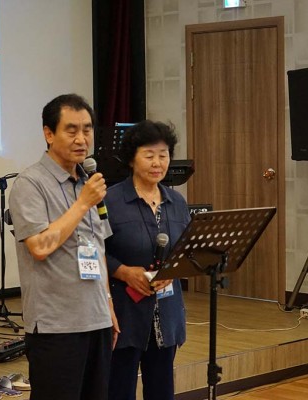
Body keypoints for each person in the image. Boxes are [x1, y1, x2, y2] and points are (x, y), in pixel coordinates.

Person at [8, 93, 119, 400]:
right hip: (56, 326)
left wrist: (108, 305)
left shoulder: (88, 181)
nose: (81, 138)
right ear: (49, 133)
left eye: (87, 129)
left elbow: (98, 248)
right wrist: (82, 204)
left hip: (96, 318)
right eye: (71, 130)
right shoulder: (30, 184)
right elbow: (39, 247)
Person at [104, 120, 191, 400]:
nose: (157, 163)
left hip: (166, 311)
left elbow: (185, 250)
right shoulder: (110, 200)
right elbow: (92, 251)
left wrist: (173, 270)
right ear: (132, 159)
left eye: (163, 155)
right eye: (149, 155)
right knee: (119, 390)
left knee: (162, 391)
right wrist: (123, 271)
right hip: (124, 311)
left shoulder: (176, 202)